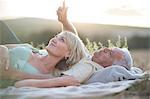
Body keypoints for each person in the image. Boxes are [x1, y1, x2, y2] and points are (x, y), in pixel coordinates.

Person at [14, 1, 133, 88]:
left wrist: (17, 77)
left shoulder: (89, 67)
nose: (105, 48)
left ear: (109, 66)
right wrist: (65, 21)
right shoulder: (89, 58)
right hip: (27, 55)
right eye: (109, 48)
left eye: (110, 53)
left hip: (25, 64)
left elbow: (63, 80)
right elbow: (73, 40)